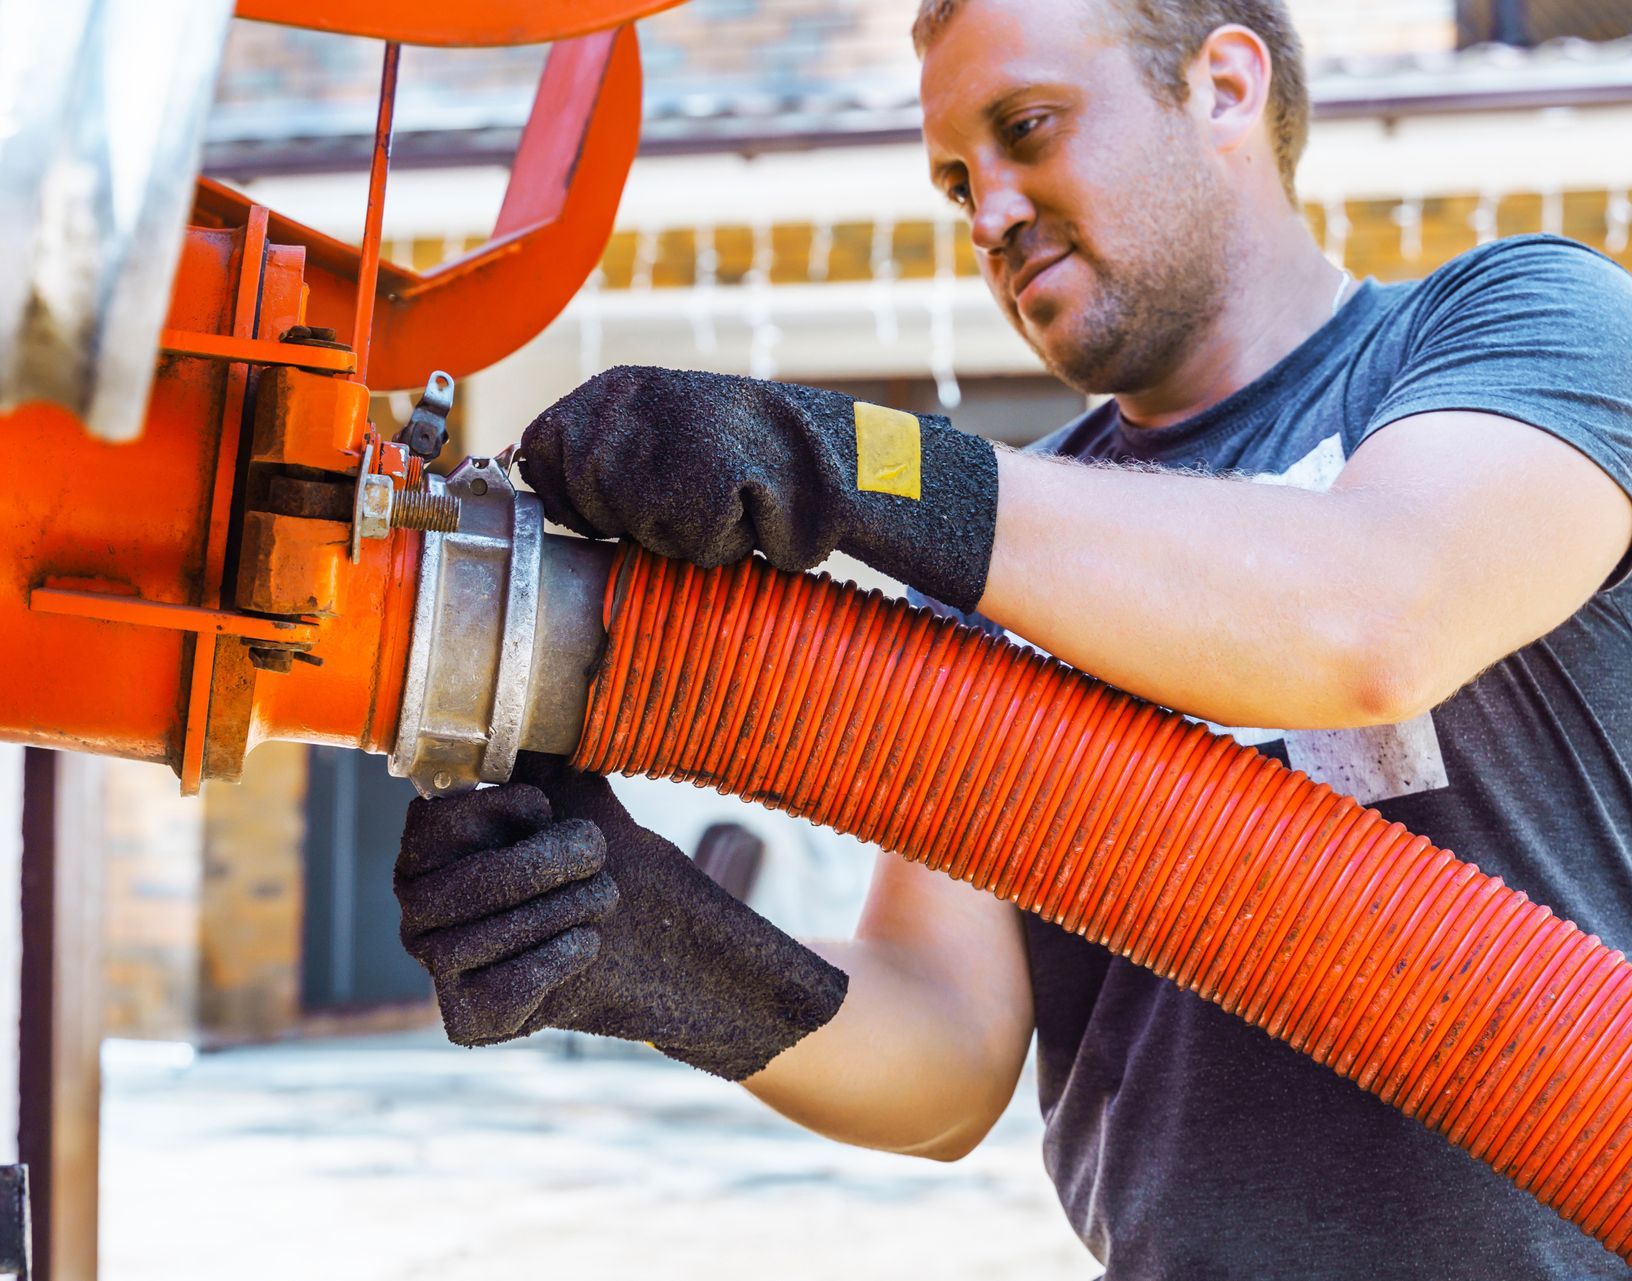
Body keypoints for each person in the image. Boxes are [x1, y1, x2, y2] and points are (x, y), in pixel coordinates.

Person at [390, 1, 1632, 1275]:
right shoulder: (1003, 567)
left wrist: (872, 466)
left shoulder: (1523, 326)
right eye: (954, 181)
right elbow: (949, 1059)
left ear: (1222, 86)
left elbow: (1372, 617)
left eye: (1028, 129)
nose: (987, 216)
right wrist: (651, 942)